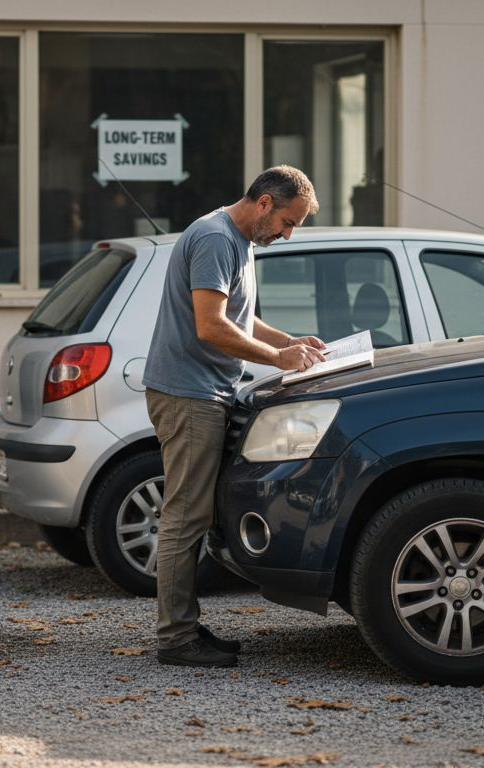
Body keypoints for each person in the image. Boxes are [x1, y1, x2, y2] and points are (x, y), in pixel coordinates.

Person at [142, 165, 325, 667]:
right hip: (189, 395)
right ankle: (176, 639)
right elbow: (211, 326)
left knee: (194, 514)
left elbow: (239, 318)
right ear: (264, 203)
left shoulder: (238, 240)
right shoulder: (217, 239)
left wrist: (288, 341)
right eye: (288, 222)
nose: (287, 235)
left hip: (204, 392)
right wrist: (279, 359)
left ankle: (184, 625)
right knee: (184, 517)